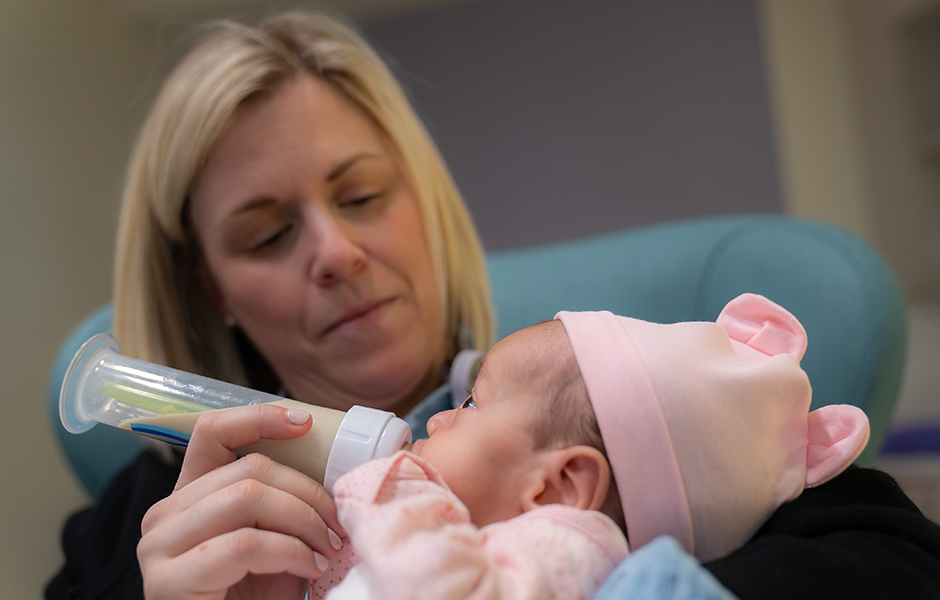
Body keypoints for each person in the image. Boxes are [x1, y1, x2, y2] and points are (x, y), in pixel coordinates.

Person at [47, 11, 492, 600]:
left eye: (361, 195)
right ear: (212, 289)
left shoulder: (585, 405)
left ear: (425, 199)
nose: (336, 253)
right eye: (266, 236)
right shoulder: (122, 547)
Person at [299, 293, 869, 599]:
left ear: (561, 486)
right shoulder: (497, 532)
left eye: (472, 406)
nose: (441, 419)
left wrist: (394, 494)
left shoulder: (567, 546)